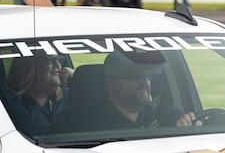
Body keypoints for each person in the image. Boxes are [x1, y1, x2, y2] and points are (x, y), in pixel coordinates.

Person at [53, 51, 198, 133]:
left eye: (147, 76)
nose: (144, 82)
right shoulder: (76, 125)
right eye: (135, 76)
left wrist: (189, 128)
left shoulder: (166, 114)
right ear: (112, 82)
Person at [3, 53, 72, 136]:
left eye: (59, 59)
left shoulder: (71, 96)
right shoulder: (9, 104)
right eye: (50, 59)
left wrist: (75, 75)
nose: (58, 64)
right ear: (29, 66)